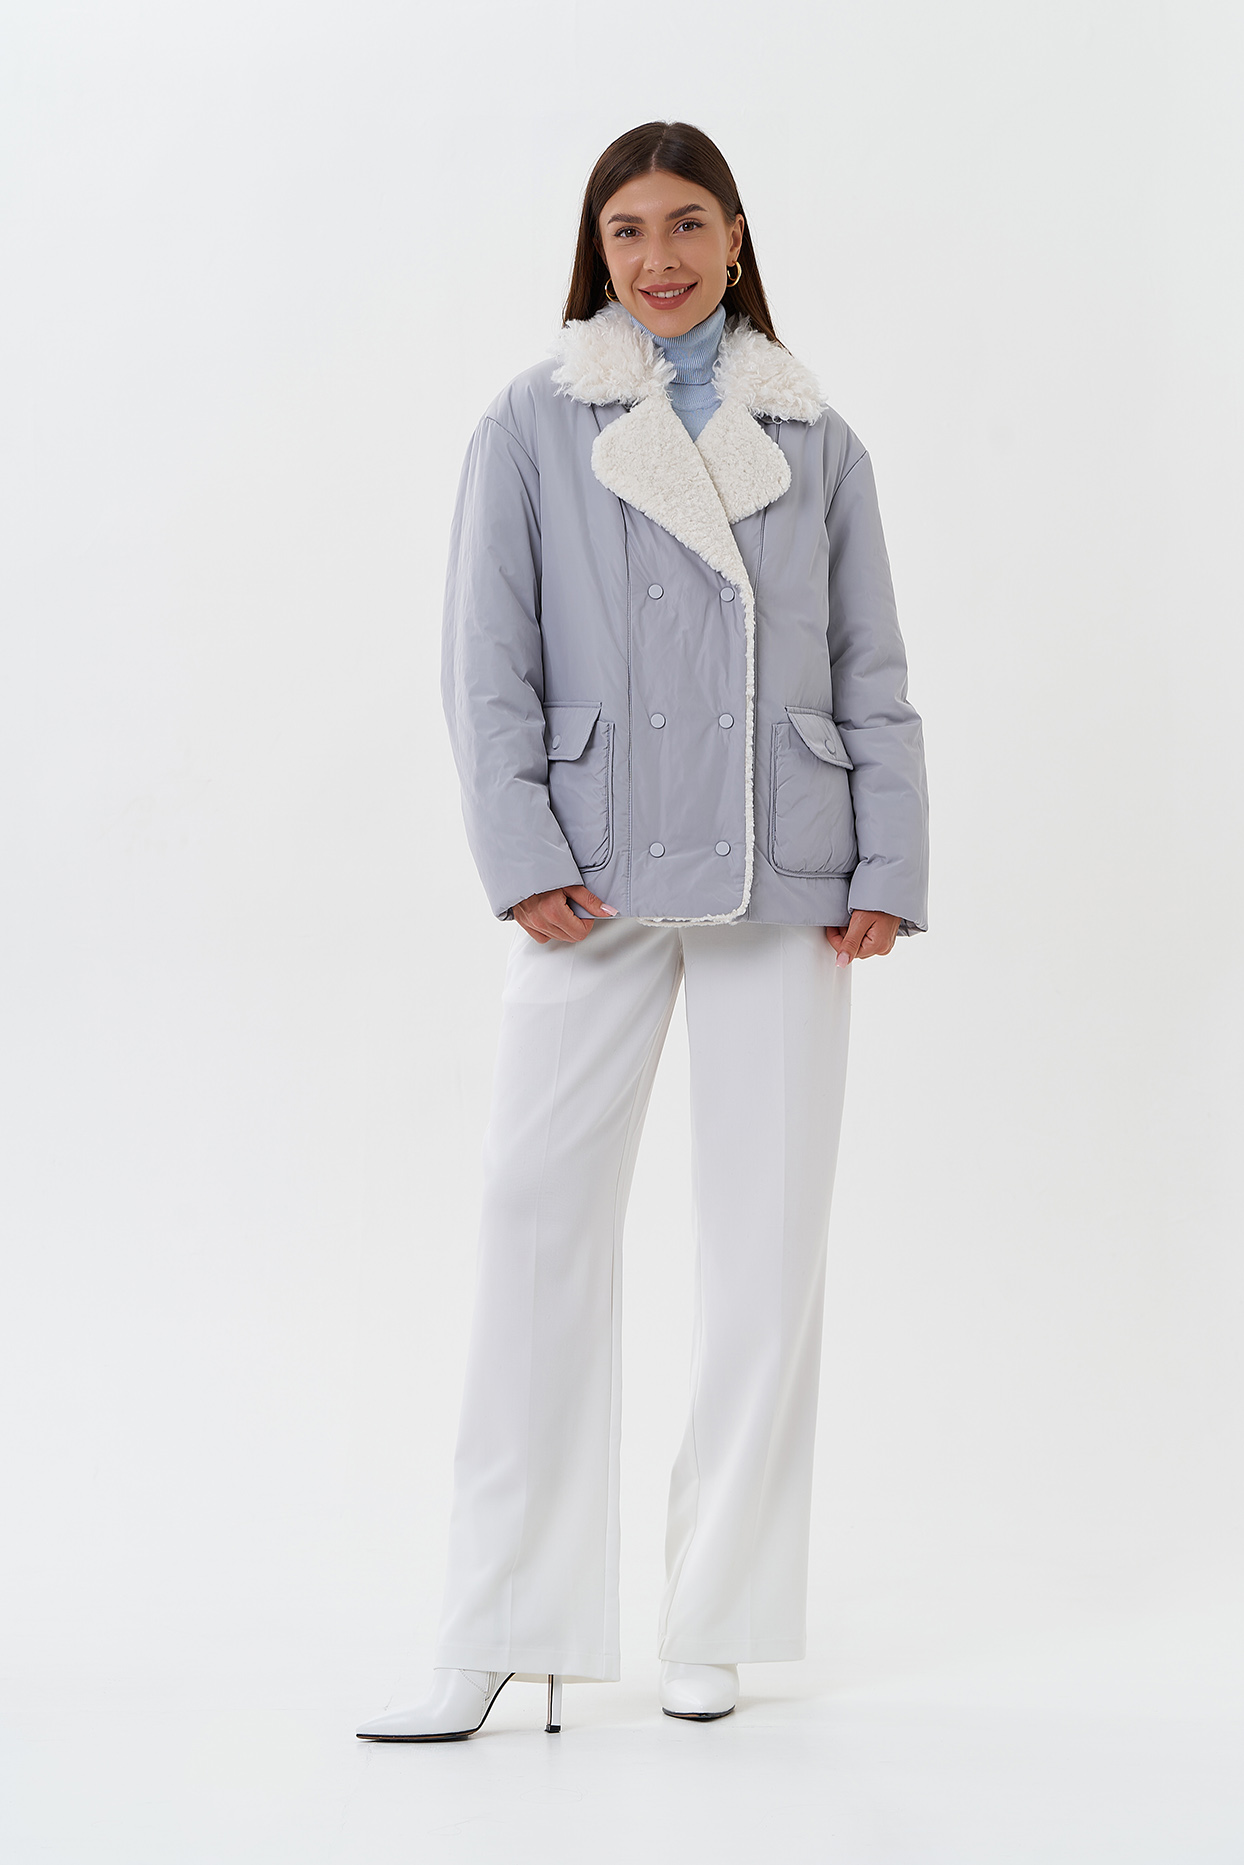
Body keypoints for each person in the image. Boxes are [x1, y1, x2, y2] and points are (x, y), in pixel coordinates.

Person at [357, 119, 928, 1744]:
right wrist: (520, 850)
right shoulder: (532, 420)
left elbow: (873, 667)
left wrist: (887, 857)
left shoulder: (817, 436)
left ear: (736, 238)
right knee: (532, 1216)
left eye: (687, 224)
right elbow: (486, 663)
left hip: (784, 866)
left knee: (765, 1248)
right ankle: (500, 1618)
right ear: (595, 249)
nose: (658, 257)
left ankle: (717, 1616)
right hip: (593, 875)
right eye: (627, 230)